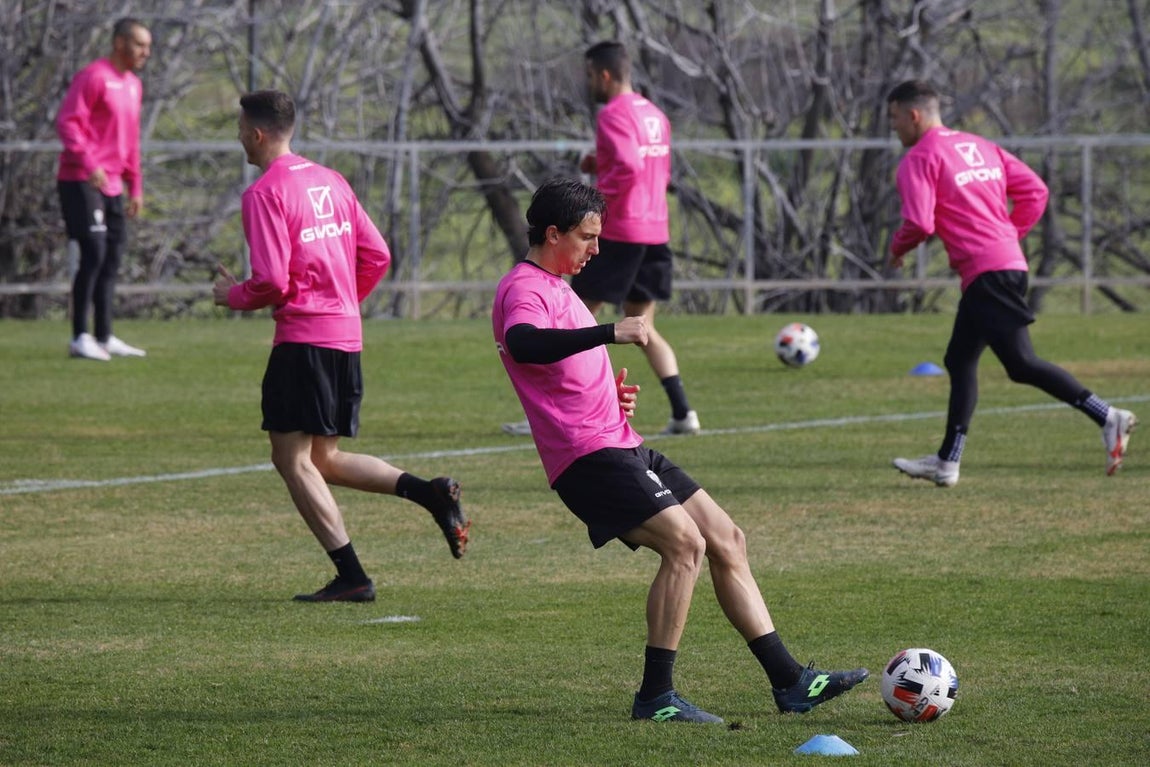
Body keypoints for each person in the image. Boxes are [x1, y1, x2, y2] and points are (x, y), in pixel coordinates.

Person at [493, 176, 867, 723]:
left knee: (726, 538)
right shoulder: (524, 287)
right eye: (586, 237)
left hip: (621, 442)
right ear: (553, 233)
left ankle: (791, 682)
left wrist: (605, 392)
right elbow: (525, 343)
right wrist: (607, 334)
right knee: (684, 546)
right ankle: (656, 697)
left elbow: (556, 367)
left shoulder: (559, 286)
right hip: (586, 458)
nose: (596, 250)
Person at [213, 90, 470, 602]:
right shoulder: (330, 179)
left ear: (257, 133)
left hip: (304, 339)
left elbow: (270, 280)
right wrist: (343, 302)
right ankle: (430, 492)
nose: (239, 135)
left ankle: (352, 576)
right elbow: (377, 254)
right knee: (323, 458)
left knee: (291, 459)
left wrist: (231, 295)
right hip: (345, 338)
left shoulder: (264, 193)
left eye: (241, 128)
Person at [886, 80, 1137, 486]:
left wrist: (897, 249)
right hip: (1005, 265)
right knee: (961, 359)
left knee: (1021, 363)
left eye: (895, 118)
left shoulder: (920, 157)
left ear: (913, 115)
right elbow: (1035, 191)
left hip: (989, 272)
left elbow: (918, 221)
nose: (894, 127)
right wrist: (1006, 237)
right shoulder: (981, 146)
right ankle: (947, 462)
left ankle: (1108, 415)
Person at [501, 41, 698, 438]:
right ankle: (683, 412)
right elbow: (652, 169)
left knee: (570, 320)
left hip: (621, 231)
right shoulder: (654, 114)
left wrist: (593, 203)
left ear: (604, 75)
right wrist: (600, 162)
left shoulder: (612, 114)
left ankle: (551, 407)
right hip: (655, 229)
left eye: (590, 75)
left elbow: (628, 165)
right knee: (643, 326)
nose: (589, 82)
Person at [57, 17, 152, 361]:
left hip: (112, 184)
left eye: (148, 46)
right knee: (94, 252)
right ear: (119, 43)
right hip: (80, 180)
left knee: (111, 257)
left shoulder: (133, 85)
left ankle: (104, 335)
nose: (146, 52)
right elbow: (68, 122)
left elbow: (130, 141)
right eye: (140, 45)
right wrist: (88, 162)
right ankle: (80, 336)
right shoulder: (94, 77)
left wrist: (135, 186)